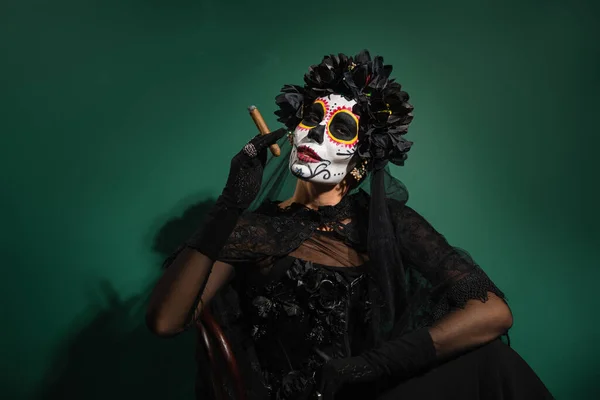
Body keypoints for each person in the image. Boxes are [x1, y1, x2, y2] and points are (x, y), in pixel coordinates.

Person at [146, 50, 553, 399]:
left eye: (341, 128)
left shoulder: (387, 223)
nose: (315, 131)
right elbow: (166, 321)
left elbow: (494, 313)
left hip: (375, 391)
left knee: (494, 363)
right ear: (293, 131)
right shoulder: (255, 230)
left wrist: (372, 365)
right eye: (311, 115)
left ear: (360, 159)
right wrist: (229, 204)